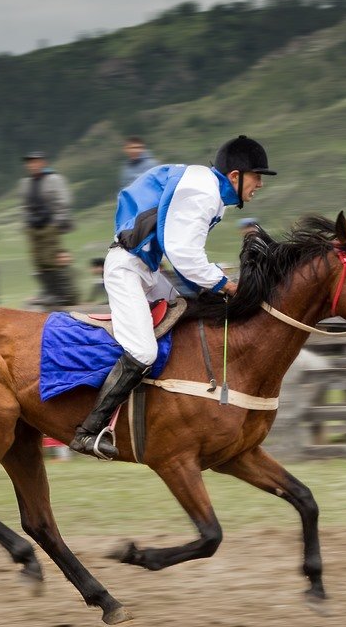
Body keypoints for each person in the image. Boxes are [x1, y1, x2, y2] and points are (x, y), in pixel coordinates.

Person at [69, 134, 275, 459]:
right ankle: (88, 431)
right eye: (257, 176)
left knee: (193, 312)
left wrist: (217, 286)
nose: (260, 184)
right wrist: (225, 284)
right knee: (143, 352)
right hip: (128, 269)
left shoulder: (208, 191)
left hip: (147, 270)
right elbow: (183, 253)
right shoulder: (203, 191)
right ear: (235, 176)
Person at [20, 151, 74, 306]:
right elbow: (24, 205)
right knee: (38, 260)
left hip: (50, 225)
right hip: (33, 227)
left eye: (36, 161)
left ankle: (58, 293)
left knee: (51, 259)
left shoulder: (54, 179)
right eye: (30, 162)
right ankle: (46, 291)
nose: (33, 165)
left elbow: (63, 200)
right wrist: (27, 221)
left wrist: (57, 221)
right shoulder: (26, 182)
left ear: (43, 163)